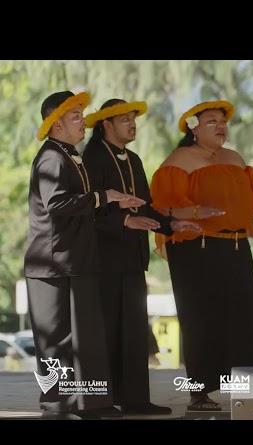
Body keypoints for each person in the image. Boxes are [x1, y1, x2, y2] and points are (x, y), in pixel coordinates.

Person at [150, 100, 253, 411]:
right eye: (211, 121)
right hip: (195, 249)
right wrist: (199, 211)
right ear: (194, 128)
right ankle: (199, 392)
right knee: (201, 319)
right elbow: (163, 209)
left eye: (223, 121)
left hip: (236, 246)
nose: (220, 126)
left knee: (244, 319)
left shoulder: (236, 159)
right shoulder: (178, 161)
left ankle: (246, 386)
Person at [24, 91, 144, 419]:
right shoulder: (51, 156)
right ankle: (57, 406)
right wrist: (103, 196)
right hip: (51, 265)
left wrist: (109, 200)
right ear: (56, 124)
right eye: (76, 116)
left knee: (85, 338)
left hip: (74, 262)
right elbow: (57, 204)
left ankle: (90, 403)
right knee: (57, 342)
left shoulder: (68, 153)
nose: (83, 120)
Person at [83, 99, 201, 415]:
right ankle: (101, 400)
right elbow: (86, 210)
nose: (132, 124)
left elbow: (144, 207)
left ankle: (135, 399)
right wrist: (123, 220)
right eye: (124, 119)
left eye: (133, 119)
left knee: (134, 332)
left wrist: (171, 224)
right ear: (106, 125)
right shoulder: (91, 158)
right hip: (103, 262)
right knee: (106, 331)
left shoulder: (133, 159)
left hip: (133, 260)